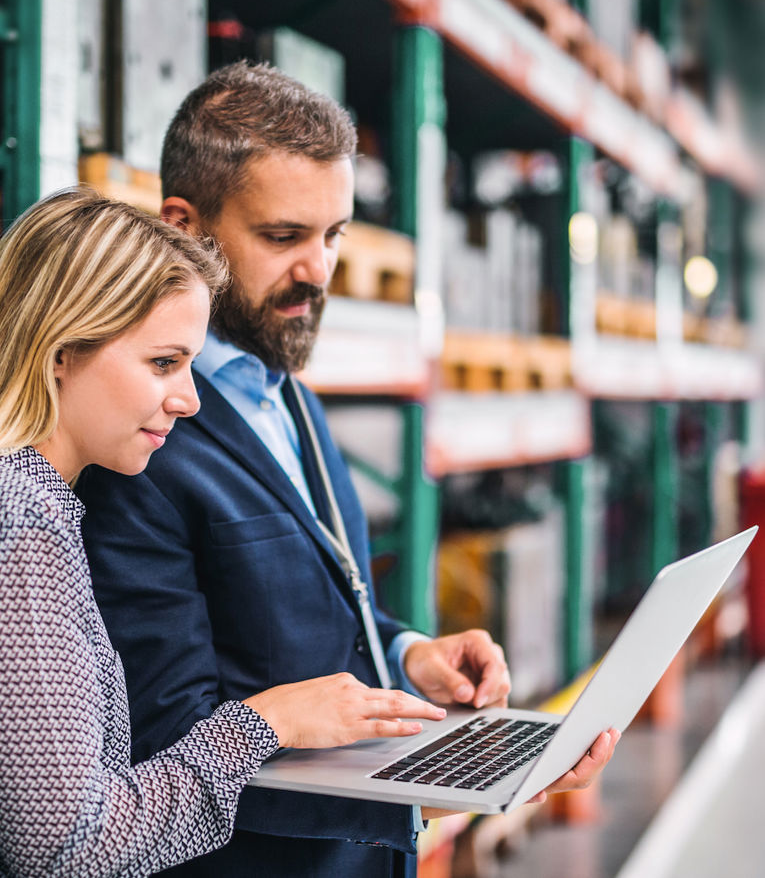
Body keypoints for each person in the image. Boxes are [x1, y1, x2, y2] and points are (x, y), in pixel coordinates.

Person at [78, 63, 618, 878]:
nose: (320, 271)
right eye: (284, 237)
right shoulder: (138, 442)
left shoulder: (282, 388)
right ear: (184, 226)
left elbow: (308, 608)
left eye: (334, 235)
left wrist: (404, 654)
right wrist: (433, 792)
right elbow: (168, 748)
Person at [0, 188, 448, 878]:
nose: (190, 398)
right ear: (62, 349)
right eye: (162, 363)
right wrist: (264, 723)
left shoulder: (44, 508)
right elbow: (67, 846)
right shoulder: (23, 523)